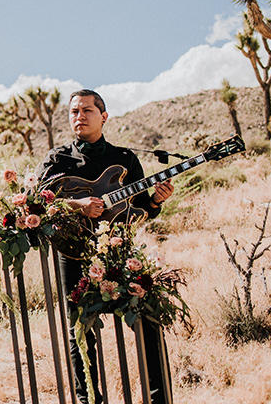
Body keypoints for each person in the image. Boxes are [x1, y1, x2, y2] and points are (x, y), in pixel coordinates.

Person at [37, 89, 174, 404]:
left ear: (104, 116)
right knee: (80, 330)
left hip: (117, 252)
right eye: (74, 112)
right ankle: (89, 400)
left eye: (87, 110)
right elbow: (39, 206)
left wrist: (155, 200)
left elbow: (140, 210)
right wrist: (77, 205)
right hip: (71, 253)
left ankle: (157, 397)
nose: (80, 116)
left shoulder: (124, 159)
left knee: (148, 317)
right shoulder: (57, 159)